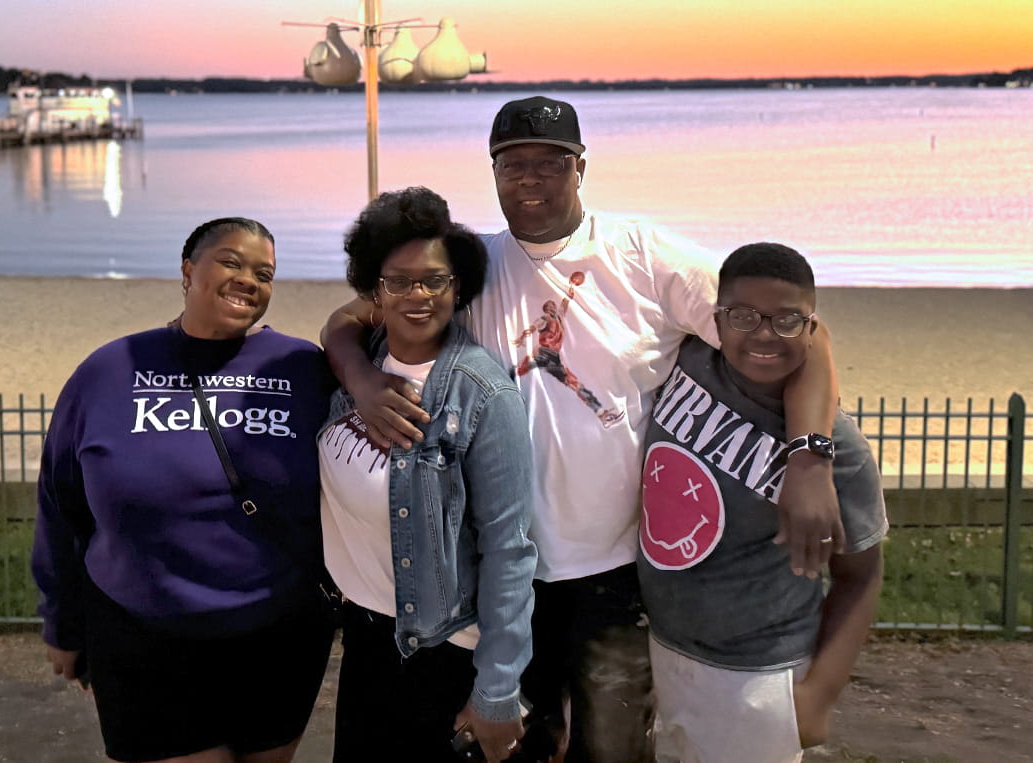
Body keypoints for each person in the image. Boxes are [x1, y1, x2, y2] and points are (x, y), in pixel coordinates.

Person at [322, 97, 844, 763]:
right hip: (497, 573)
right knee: (512, 744)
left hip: (615, 568)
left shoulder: (645, 256)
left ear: (581, 168)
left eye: (551, 162)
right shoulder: (472, 266)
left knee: (612, 747)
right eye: (513, 164)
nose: (530, 178)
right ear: (493, 172)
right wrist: (362, 382)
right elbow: (350, 317)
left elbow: (801, 334)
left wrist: (809, 459)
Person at [32, 218, 336, 763]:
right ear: (188, 270)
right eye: (231, 262)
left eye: (264, 273)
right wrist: (61, 620)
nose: (248, 280)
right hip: (143, 633)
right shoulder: (107, 371)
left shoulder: (303, 368)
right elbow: (60, 503)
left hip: (279, 633)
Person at [638, 242, 887, 763]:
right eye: (744, 317)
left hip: (755, 674)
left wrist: (818, 697)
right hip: (658, 647)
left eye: (787, 321)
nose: (765, 335)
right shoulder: (689, 358)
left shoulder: (843, 455)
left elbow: (860, 577)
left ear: (810, 327)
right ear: (717, 319)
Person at [319, 187, 538, 763]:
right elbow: (336, 328)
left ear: (457, 287)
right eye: (399, 281)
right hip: (367, 639)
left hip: (442, 651)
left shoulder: (482, 393)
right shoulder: (362, 359)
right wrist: (358, 375)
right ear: (375, 290)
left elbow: (509, 549)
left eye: (434, 280)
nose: (418, 295)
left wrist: (497, 691)